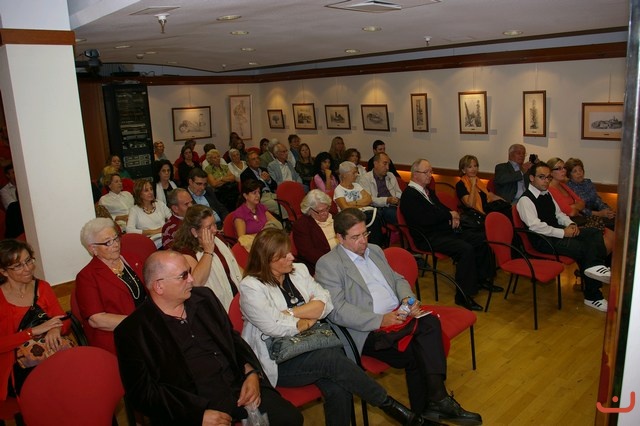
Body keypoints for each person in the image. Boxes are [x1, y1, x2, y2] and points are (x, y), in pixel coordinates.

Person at [240, 228, 424, 426]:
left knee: (338, 385)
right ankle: (393, 408)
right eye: (283, 255)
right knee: (332, 360)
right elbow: (273, 326)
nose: (291, 257)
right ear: (266, 259)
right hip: (280, 358)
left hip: (316, 343)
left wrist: (292, 313)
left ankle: (400, 413)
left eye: (289, 251)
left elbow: (326, 302)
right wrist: (307, 318)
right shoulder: (251, 286)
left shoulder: (299, 270)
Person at [315, 209, 482, 425]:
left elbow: (398, 279)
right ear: (340, 237)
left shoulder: (375, 250)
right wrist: (380, 320)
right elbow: (337, 310)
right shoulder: (329, 264)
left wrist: (407, 300)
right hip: (368, 330)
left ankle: (428, 409)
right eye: (355, 237)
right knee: (423, 339)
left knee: (426, 330)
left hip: (398, 317)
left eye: (365, 234)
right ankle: (437, 401)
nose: (363, 241)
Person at [114, 250, 302, 426]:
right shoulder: (133, 331)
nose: (191, 279)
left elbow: (233, 340)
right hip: (191, 406)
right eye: (183, 276)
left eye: (189, 272)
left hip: (238, 386)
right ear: (159, 286)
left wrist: (251, 373)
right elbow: (142, 394)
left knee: (290, 419)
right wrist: (196, 415)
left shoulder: (204, 298)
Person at [400, 159, 497, 311]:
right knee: (465, 249)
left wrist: (453, 214)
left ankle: (482, 279)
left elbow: (440, 208)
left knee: (480, 239)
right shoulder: (409, 195)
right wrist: (449, 215)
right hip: (428, 237)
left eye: (431, 171)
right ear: (415, 174)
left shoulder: (427, 191)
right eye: (426, 172)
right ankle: (463, 295)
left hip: (443, 231)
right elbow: (425, 219)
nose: (430, 175)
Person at [516, 162, 612, 312]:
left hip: (557, 233)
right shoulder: (525, 200)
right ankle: (593, 296)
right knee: (584, 248)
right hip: (543, 240)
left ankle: (595, 268)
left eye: (548, 177)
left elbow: (559, 214)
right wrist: (563, 233)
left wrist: (571, 224)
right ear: (532, 178)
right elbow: (536, 226)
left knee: (594, 232)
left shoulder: (547, 194)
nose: (546, 181)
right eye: (542, 177)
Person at [0, 239, 69, 399]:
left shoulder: (42, 287)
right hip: (15, 364)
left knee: (74, 372)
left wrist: (55, 328)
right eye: (18, 266)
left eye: (28, 261)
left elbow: (64, 319)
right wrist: (32, 332)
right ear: (4, 271)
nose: (27, 269)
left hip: (49, 354)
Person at [76, 218, 147, 354]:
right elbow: (96, 319)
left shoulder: (133, 259)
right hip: (117, 335)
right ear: (93, 248)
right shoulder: (87, 277)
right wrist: (139, 322)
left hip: (146, 325)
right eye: (108, 242)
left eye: (116, 238)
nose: (115, 245)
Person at [173, 205, 242, 312]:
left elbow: (236, 266)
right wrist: (208, 251)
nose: (215, 230)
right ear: (194, 232)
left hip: (237, 295)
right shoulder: (186, 252)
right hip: (211, 306)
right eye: (209, 227)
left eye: (214, 224)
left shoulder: (219, 239)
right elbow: (197, 282)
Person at [546, 157, 615, 254]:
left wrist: (573, 206)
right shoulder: (550, 188)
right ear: (551, 172)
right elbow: (570, 212)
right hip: (568, 222)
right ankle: (596, 261)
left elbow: (581, 202)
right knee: (604, 239)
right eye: (559, 168)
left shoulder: (563, 185)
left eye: (564, 168)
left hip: (579, 217)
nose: (563, 171)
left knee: (612, 233)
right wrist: (574, 207)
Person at [334, 161, 383, 246]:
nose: (356, 175)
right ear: (345, 175)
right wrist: (361, 203)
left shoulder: (357, 186)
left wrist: (352, 203)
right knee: (375, 218)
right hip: (348, 218)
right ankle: (375, 245)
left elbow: (369, 199)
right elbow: (345, 208)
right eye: (354, 173)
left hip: (363, 215)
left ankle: (374, 245)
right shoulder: (339, 190)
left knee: (376, 217)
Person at [292, 190, 337, 274]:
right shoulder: (302, 225)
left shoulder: (335, 217)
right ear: (309, 210)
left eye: (327, 208)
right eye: (320, 211)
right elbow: (308, 252)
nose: (325, 213)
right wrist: (332, 262)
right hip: (321, 265)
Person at [126, 179, 172, 249]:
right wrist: (154, 231)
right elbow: (129, 230)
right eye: (146, 190)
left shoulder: (160, 204)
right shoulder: (134, 210)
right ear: (139, 194)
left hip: (166, 238)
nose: (150, 192)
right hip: (152, 242)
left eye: (151, 189)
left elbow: (172, 219)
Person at [233, 180, 280, 247]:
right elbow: (242, 239)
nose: (258, 195)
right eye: (254, 193)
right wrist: (264, 233)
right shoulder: (239, 214)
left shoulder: (261, 207)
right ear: (245, 196)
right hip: (253, 247)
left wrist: (265, 232)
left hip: (268, 242)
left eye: (259, 192)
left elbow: (276, 223)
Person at [360, 152, 402, 225]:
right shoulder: (365, 179)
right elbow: (369, 200)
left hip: (395, 205)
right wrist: (387, 200)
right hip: (379, 208)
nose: (387, 168)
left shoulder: (390, 175)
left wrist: (397, 199)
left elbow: (398, 192)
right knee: (394, 214)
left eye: (388, 164)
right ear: (375, 164)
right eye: (385, 164)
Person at [240, 150, 282, 218]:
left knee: (286, 200)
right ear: (248, 162)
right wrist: (262, 180)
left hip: (271, 194)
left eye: (258, 158)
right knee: (279, 206)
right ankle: (287, 222)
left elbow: (275, 186)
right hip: (259, 197)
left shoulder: (264, 169)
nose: (257, 160)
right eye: (253, 159)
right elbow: (252, 189)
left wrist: (269, 180)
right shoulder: (245, 174)